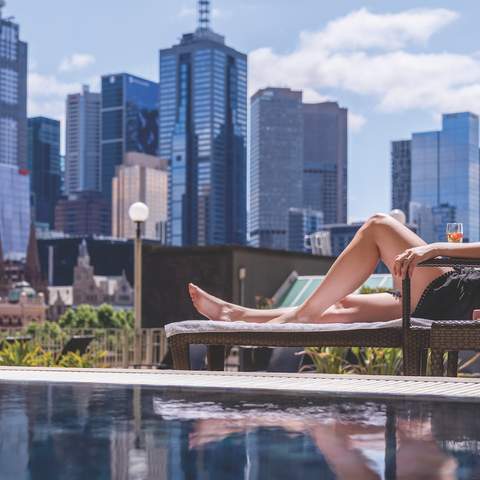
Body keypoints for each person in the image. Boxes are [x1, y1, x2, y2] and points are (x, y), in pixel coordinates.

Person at [188, 213, 480, 324]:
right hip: (455, 295)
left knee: (378, 226)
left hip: (456, 294)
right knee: (342, 305)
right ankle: (239, 316)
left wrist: (436, 247)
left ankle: (301, 316)